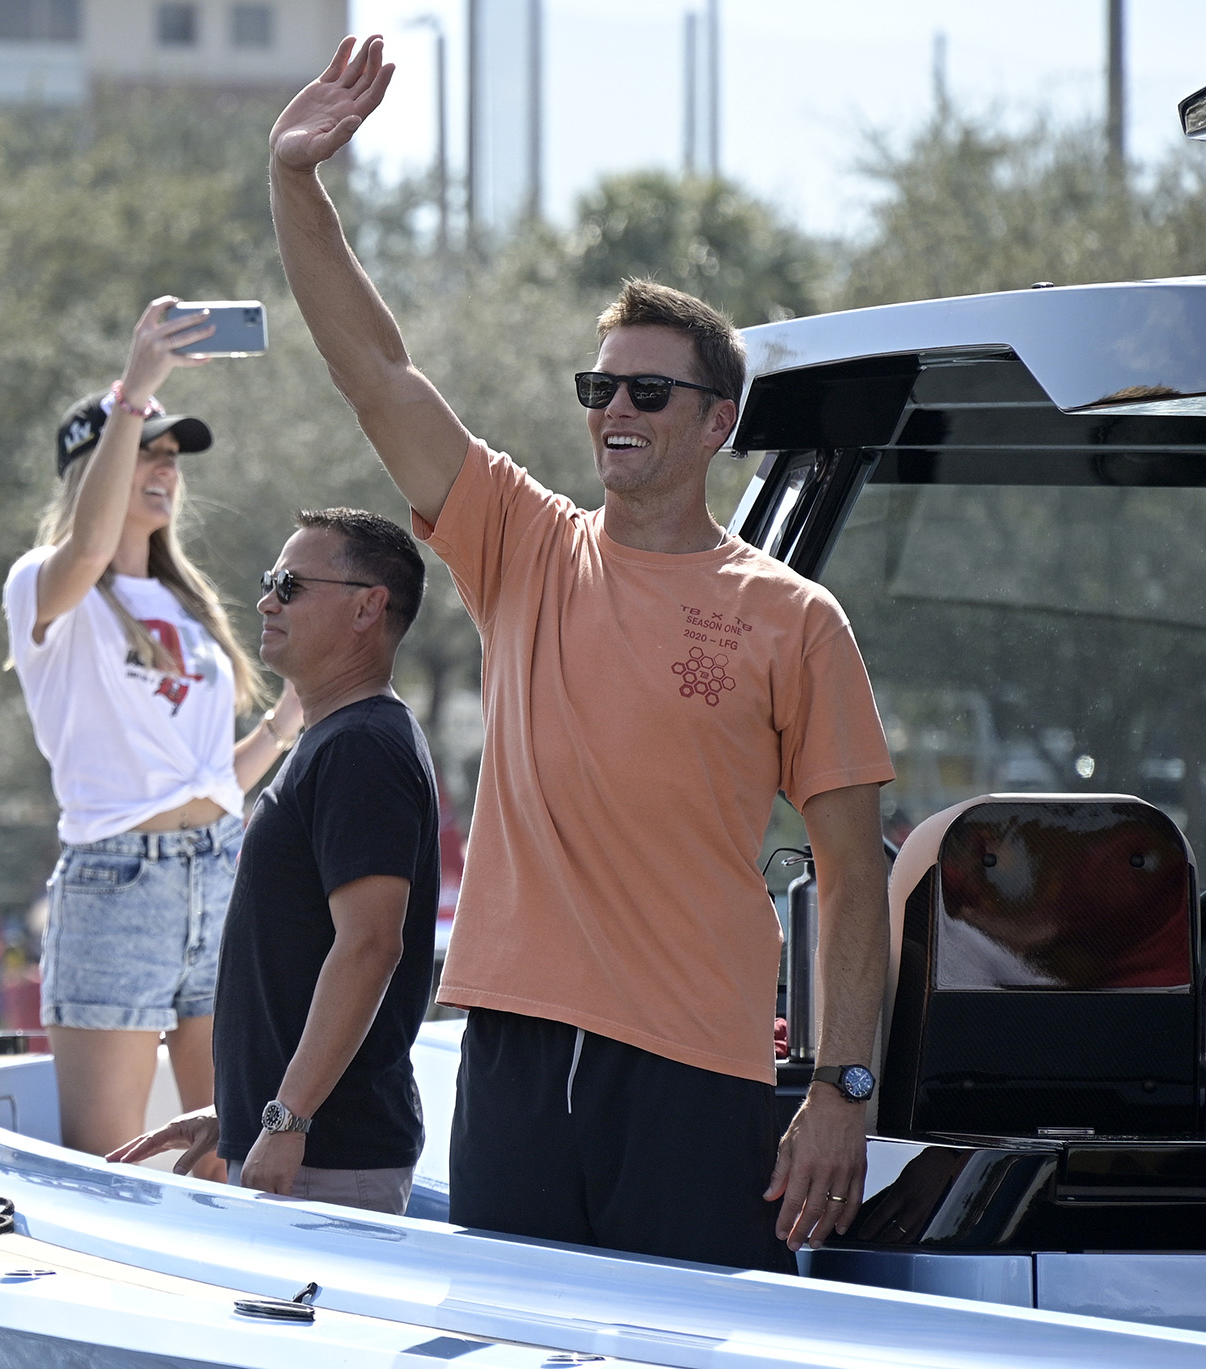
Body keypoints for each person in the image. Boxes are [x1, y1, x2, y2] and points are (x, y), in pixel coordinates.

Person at [267, 37, 897, 1270]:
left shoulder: (793, 617)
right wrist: (295, 183)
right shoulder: (524, 545)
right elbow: (375, 369)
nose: (613, 410)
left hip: (693, 1069)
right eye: (596, 388)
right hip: (509, 1052)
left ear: (718, 422)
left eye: (647, 394)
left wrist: (842, 1089)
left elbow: (851, 876)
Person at [3, 298, 304, 1175]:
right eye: (145, 451)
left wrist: (288, 721)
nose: (165, 469)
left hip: (219, 874)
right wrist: (133, 389)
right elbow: (89, 550)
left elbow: (209, 778)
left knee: (225, 1158)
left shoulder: (188, 606)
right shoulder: (46, 589)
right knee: (109, 1166)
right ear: (93, 466)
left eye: (173, 457)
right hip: (117, 884)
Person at [109, 509, 440, 1215]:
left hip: (324, 1158)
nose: (265, 600)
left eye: (289, 584)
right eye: (269, 582)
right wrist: (239, 1111)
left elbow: (370, 945)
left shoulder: (363, 748)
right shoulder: (340, 739)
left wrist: (286, 1119)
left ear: (366, 606)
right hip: (299, 1148)